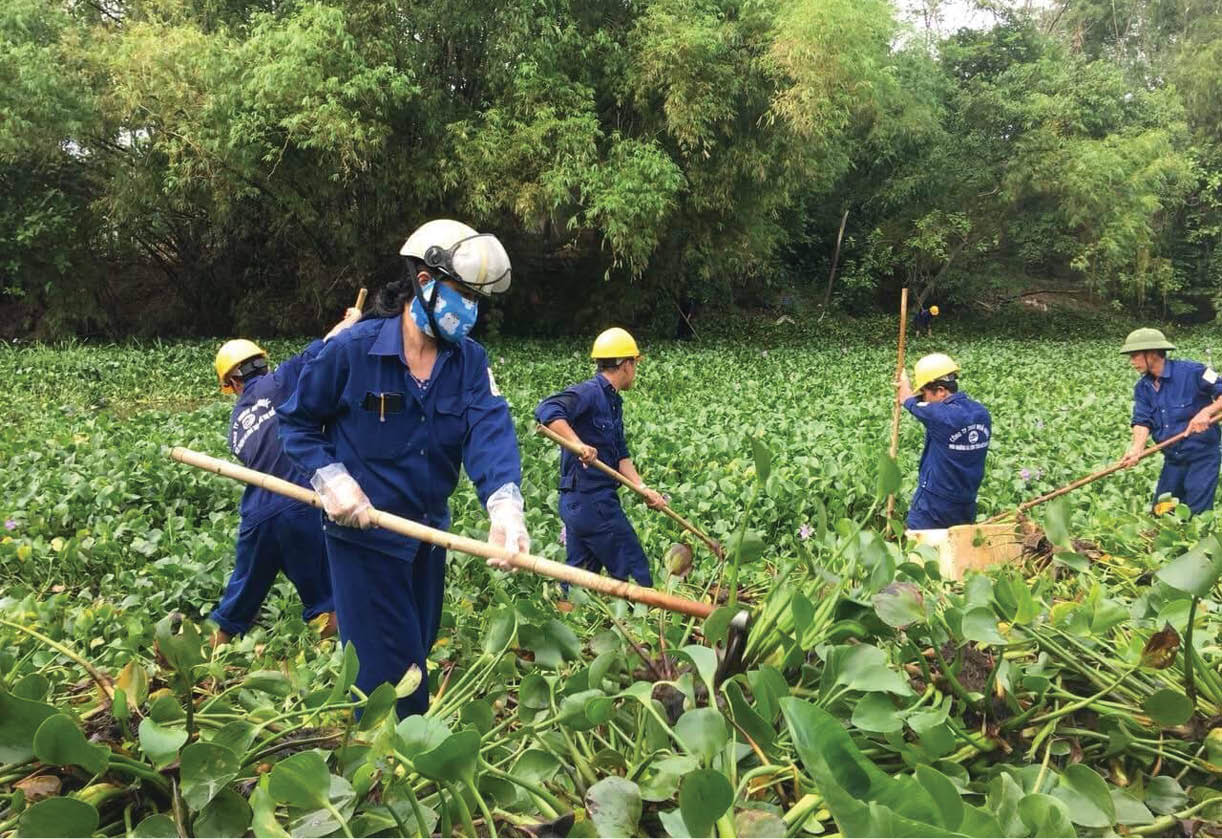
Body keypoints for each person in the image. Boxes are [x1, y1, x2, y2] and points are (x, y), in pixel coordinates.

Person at [277, 219, 527, 717]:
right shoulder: (353, 351)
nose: (469, 310)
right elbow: (297, 423)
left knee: (418, 646)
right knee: (384, 670)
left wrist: (505, 506)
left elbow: (489, 431)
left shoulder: (469, 362)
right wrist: (333, 479)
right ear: (424, 281)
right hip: (363, 534)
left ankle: (402, 748)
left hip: (428, 533)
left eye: (477, 300)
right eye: (462, 294)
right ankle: (385, 766)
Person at [209, 307, 360, 645]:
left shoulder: (235, 427)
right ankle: (326, 665)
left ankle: (207, 659)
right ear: (262, 363)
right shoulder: (282, 379)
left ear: (232, 383)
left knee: (240, 596)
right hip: (299, 505)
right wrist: (351, 321)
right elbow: (328, 344)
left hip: (257, 515)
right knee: (325, 597)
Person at [535, 327, 664, 589]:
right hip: (591, 500)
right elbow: (547, 411)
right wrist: (577, 444)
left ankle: (569, 619)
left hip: (580, 505)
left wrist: (643, 489)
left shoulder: (613, 402)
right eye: (635, 364)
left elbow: (621, 455)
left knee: (579, 577)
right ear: (626, 365)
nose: (635, 371)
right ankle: (641, 623)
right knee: (633, 568)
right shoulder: (589, 393)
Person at [1119, 328, 1222, 515]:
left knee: (1196, 514)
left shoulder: (1195, 372)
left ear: (1151, 353)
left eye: (1134, 356)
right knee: (1161, 512)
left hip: (1202, 457)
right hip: (1173, 459)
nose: (1131, 362)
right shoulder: (1143, 387)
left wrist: (1207, 412)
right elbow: (1142, 420)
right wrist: (1136, 449)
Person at [896, 352, 991, 529]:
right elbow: (922, 406)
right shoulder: (981, 413)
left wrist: (905, 389)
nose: (925, 400)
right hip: (966, 504)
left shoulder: (941, 417)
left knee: (918, 552)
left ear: (940, 391)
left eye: (924, 394)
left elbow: (910, 402)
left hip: (933, 506)